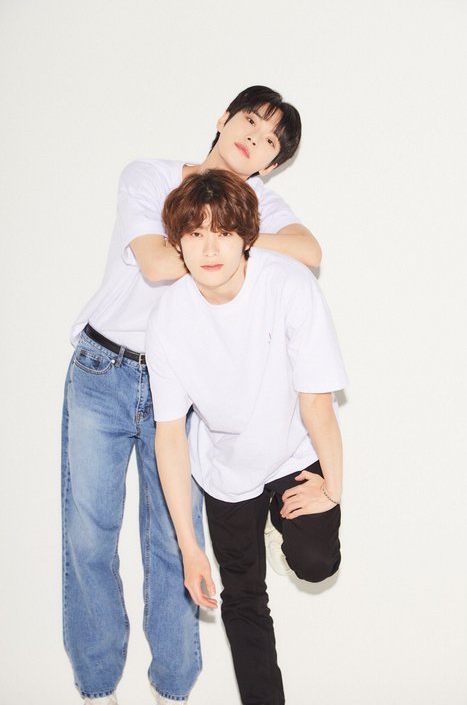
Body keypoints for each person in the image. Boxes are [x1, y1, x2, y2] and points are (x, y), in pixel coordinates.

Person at [62, 86, 321, 705]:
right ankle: (97, 688)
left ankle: (172, 688)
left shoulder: (264, 204)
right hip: (102, 370)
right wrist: (226, 239)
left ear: (271, 164)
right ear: (223, 119)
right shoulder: (149, 176)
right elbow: (156, 264)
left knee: (173, 540)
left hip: (180, 388)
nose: (254, 137)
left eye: (270, 140)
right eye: (250, 120)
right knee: (88, 536)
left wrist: (232, 230)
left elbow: (310, 253)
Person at [146, 170, 347, 705]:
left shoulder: (288, 285)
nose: (210, 249)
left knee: (316, 562)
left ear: (246, 236)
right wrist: (190, 548)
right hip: (227, 469)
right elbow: (170, 435)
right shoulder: (168, 319)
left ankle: (284, 524)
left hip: (293, 452)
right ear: (178, 243)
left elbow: (316, 401)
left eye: (224, 232)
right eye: (195, 234)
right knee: (243, 599)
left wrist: (333, 488)